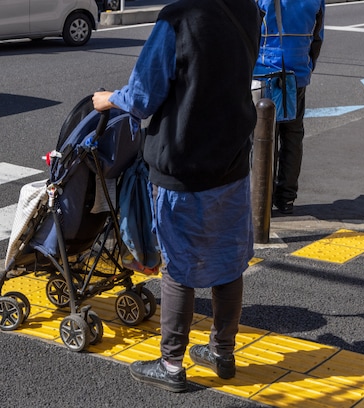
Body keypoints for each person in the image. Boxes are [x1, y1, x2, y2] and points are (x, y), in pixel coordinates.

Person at [92, 0, 260, 393]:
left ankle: (170, 365)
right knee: (229, 260)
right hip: (232, 160)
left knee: (179, 266)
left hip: (182, 164)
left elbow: (141, 98)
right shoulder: (249, 9)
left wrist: (107, 98)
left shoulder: (178, 18)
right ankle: (222, 351)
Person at [255, 0, 325, 214]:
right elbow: (317, 38)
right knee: (292, 136)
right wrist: (307, 67)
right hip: (296, 75)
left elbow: (249, 34)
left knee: (262, 138)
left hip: (264, 73)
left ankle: (261, 199)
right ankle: (286, 199)